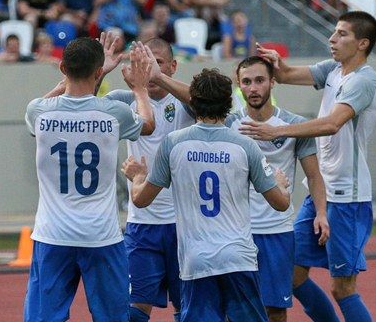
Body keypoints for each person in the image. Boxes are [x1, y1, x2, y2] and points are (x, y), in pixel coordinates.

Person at [239, 11, 376, 322]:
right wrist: (278, 65)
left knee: (343, 287)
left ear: (362, 43)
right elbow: (289, 75)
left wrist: (276, 131)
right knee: (292, 275)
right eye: (333, 32)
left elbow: (332, 124)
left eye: (342, 34)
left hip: (348, 198)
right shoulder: (334, 70)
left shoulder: (365, 79)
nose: (332, 39)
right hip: (322, 195)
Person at [122, 65, 291, 322]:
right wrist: (281, 184)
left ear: (194, 102)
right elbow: (280, 203)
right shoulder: (245, 145)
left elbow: (141, 199)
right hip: (238, 258)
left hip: (196, 258)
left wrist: (137, 177)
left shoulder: (174, 143)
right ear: (229, 102)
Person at [23, 33, 155, 322]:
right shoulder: (113, 113)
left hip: (52, 234)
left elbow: (35, 114)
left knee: (43, 317)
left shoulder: (40, 112)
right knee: (112, 317)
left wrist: (72, 81)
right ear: (98, 73)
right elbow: (147, 124)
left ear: (62, 69)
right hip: (100, 235)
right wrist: (141, 90)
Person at [226, 56, 330, 322]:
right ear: (239, 85)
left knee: (275, 311)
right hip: (237, 232)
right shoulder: (228, 126)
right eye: (246, 82)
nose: (253, 88)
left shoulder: (294, 126)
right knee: (234, 310)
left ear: (272, 82)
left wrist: (321, 213)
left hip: (277, 232)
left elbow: (314, 175)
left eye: (259, 80)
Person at [105, 38, 195, 322]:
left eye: (156, 62)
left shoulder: (185, 101)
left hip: (184, 225)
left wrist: (155, 78)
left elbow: (206, 101)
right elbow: (86, 105)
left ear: (173, 66)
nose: (147, 68)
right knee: (133, 308)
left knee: (188, 309)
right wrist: (102, 72)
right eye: (141, 62)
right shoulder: (124, 99)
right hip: (143, 224)